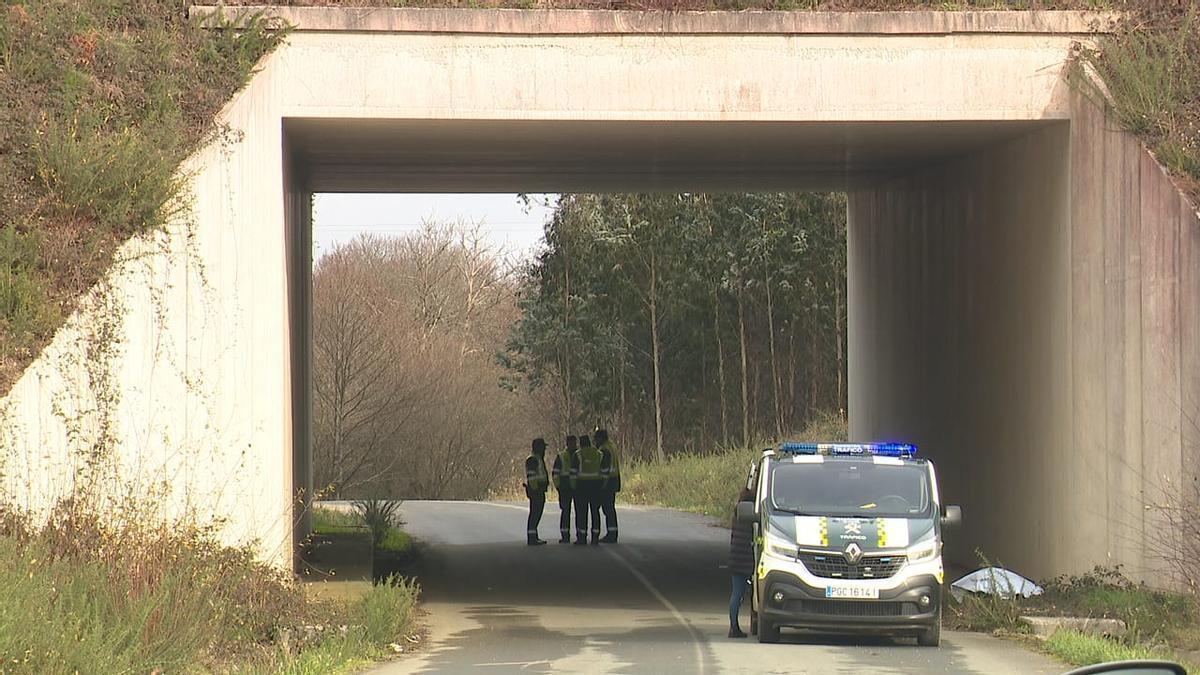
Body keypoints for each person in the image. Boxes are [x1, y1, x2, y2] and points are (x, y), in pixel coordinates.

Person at [728, 487, 756, 638]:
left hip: (735, 558)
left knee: (736, 593)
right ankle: (753, 623)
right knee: (749, 593)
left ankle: (733, 626)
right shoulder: (751, 517)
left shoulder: (736, 515)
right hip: (747, 560)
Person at [571, 434, 604, 545]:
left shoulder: (578, 454)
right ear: (589, 442)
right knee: (595, 512)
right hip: (596, 486)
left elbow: (573, 474)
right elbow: (603, 471)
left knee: (581, 513)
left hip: (581, 487)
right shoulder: (598, 454)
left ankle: (582, 537)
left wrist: (573, 487)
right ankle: (595, 537)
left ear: (580, 444)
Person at [595, 428, 621, 543]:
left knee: (608, 509)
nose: (595, 441)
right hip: (614, 479)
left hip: (608, 481)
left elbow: (604, 469)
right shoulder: (612, 445)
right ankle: (613, 533)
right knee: (610, 508)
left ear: (600, 438)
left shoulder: (604, 449)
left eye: (596, 439)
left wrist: (602, 484)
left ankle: (611, 534)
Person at [551, 435, 578, 544]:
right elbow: (555, 473)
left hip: (577, 487)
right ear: (567, 444)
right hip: (565, 487)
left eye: (574, 443)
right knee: (565, 511)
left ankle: (580, 535)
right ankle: (565, 535)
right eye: (571, 443)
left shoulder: (579, 455)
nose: (572, 445)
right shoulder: (561, 456)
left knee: (579, 512)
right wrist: (558, 487)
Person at [524, 438, 549, 546]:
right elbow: (532, 476)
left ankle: (534, 536)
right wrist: (535, 489)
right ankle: (532, 538)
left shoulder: (538, 458)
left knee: (536, 513)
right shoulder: (532, 459)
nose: (544, 449)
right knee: (535, 514)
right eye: (543, 447)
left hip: (539, 490)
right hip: (536, 491)